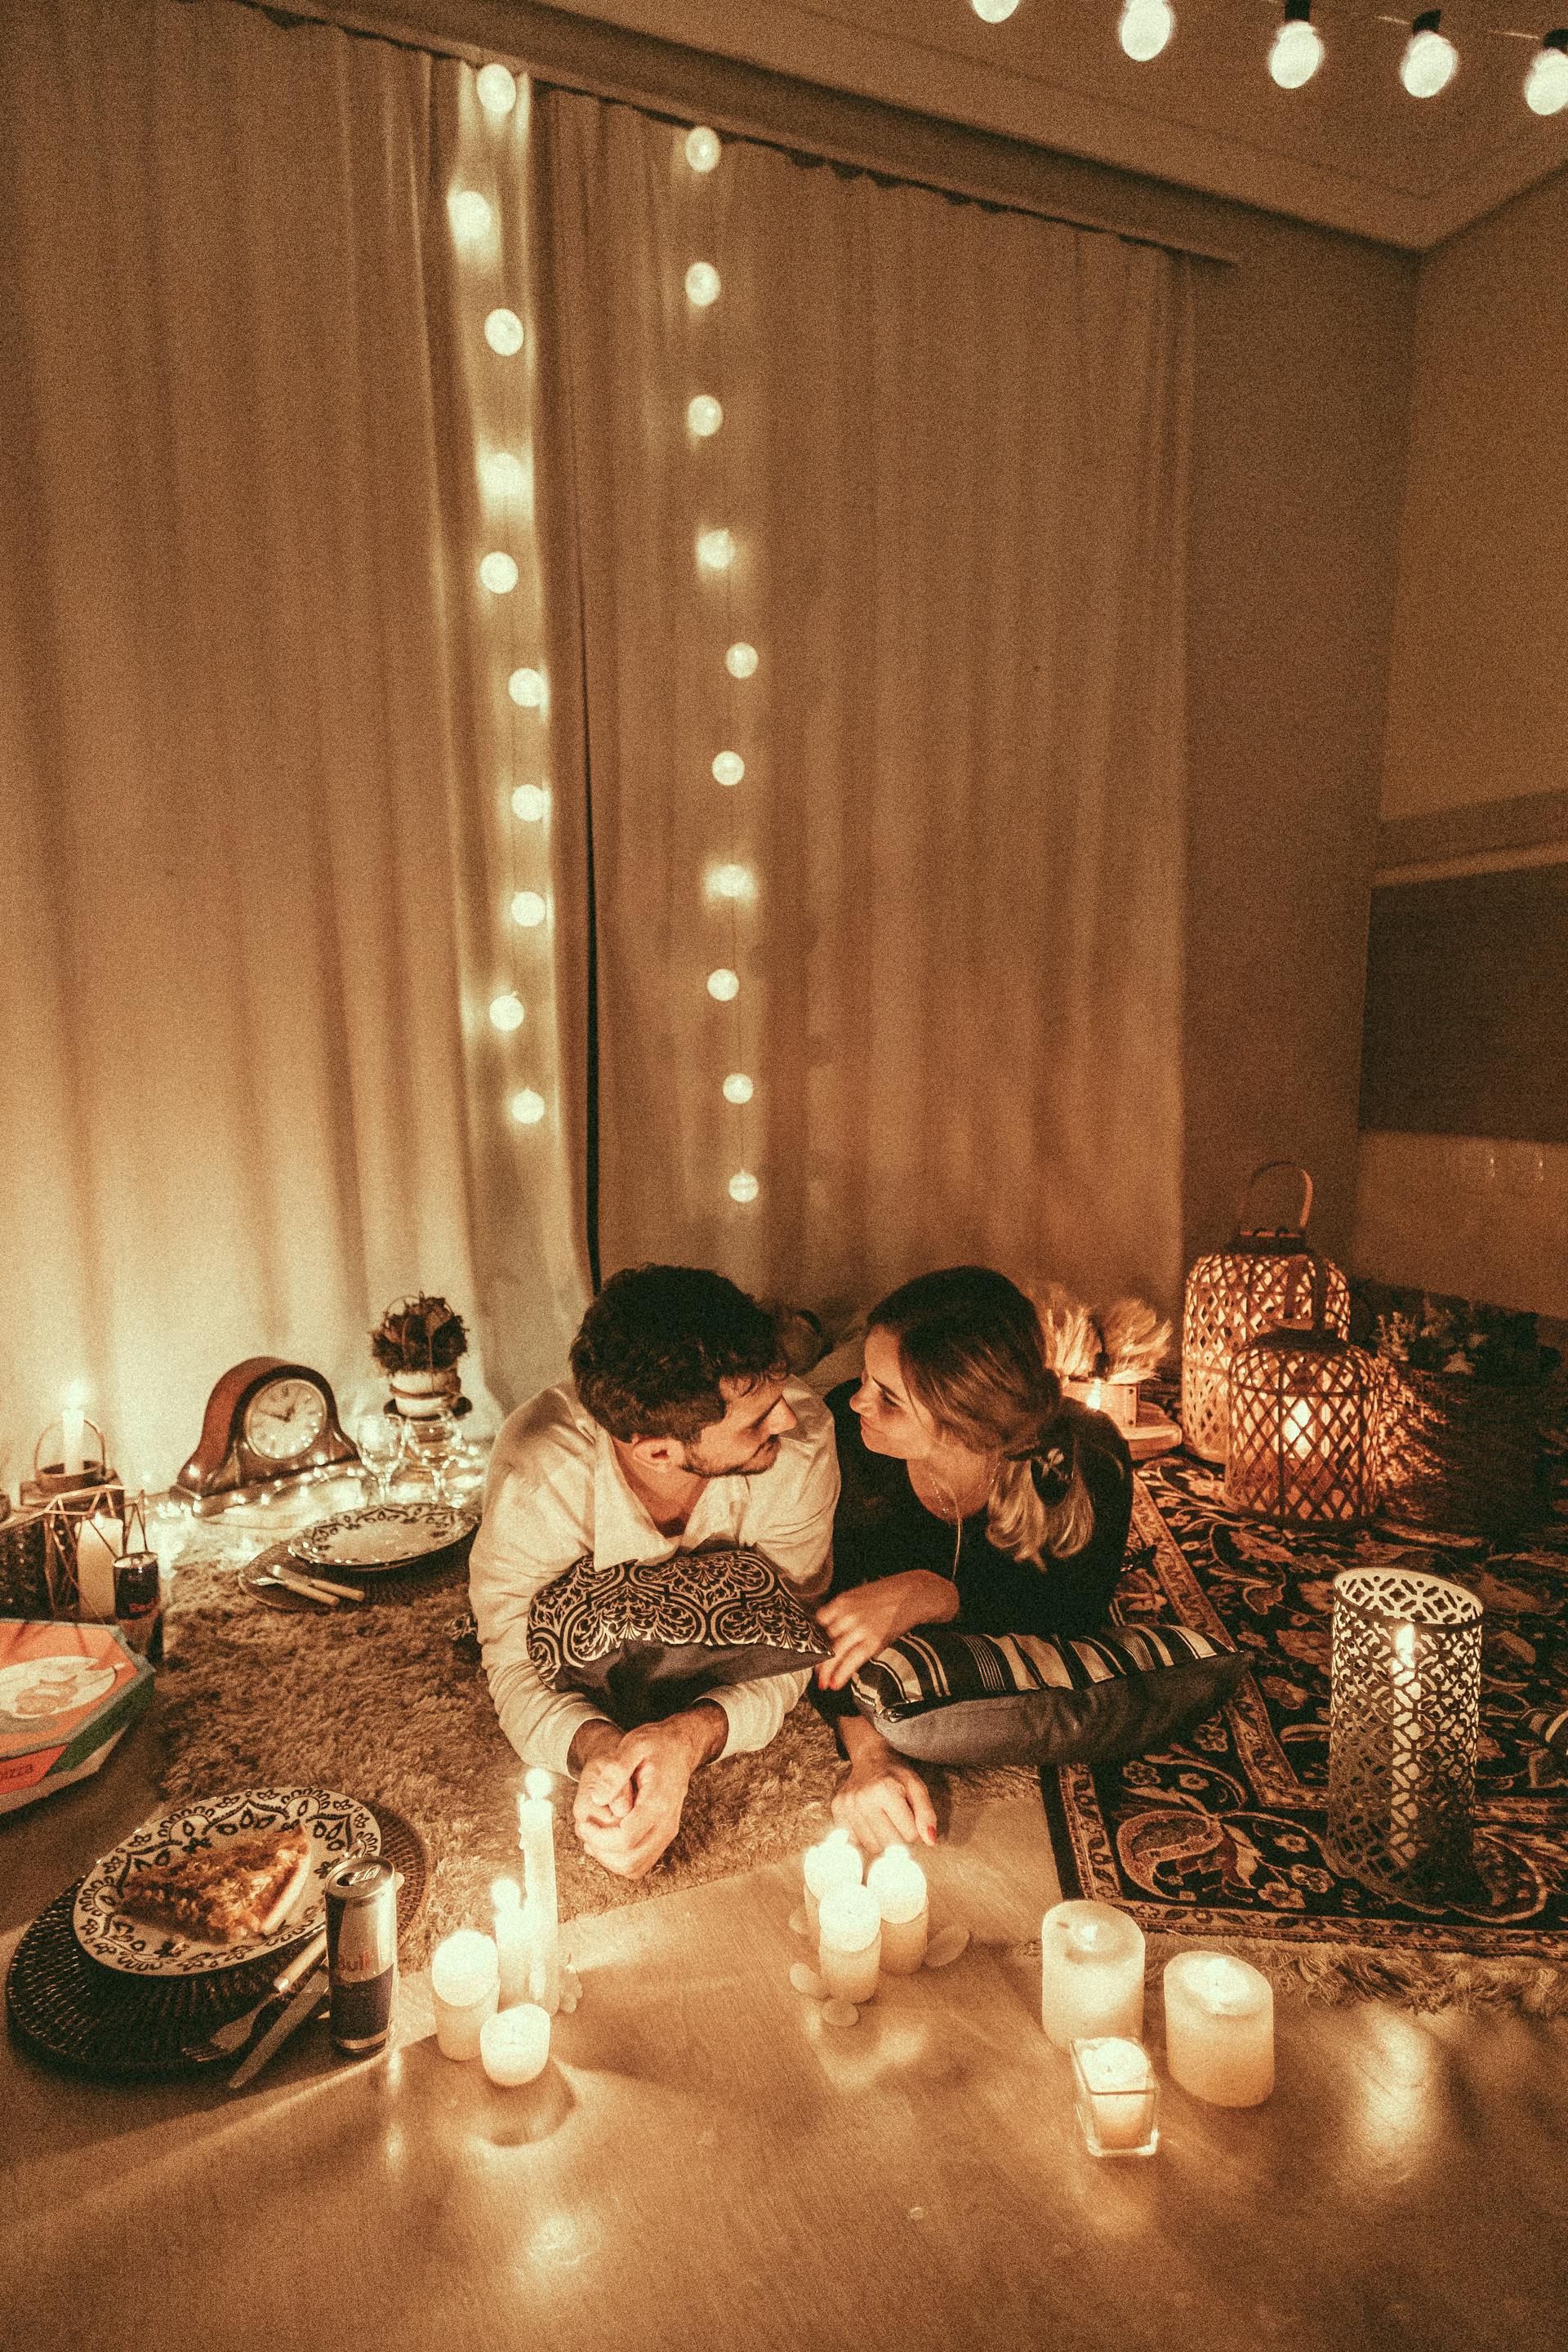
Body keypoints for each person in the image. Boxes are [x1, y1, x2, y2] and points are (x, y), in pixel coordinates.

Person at [470, 1265, 839, 1880]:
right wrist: (600, 1754)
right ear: (658, 1452)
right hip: (587, 1631)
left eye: (776, 1396)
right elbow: (510, 1664)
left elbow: (795, 1641)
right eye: (755, 1421)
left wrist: (689, 1739)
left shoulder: (801, 1447)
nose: (786, 1422)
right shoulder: (539, 1482)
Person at [814, 1266, 1134, 1853]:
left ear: (965, 1422)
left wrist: (935, 1593)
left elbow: (1072, 1622)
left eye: (888, 1398)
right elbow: (816, 1630)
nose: (860, 1400)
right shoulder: (840, 1438)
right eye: (865, 1375)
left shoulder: (1089, 1462)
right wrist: (869, 1756)